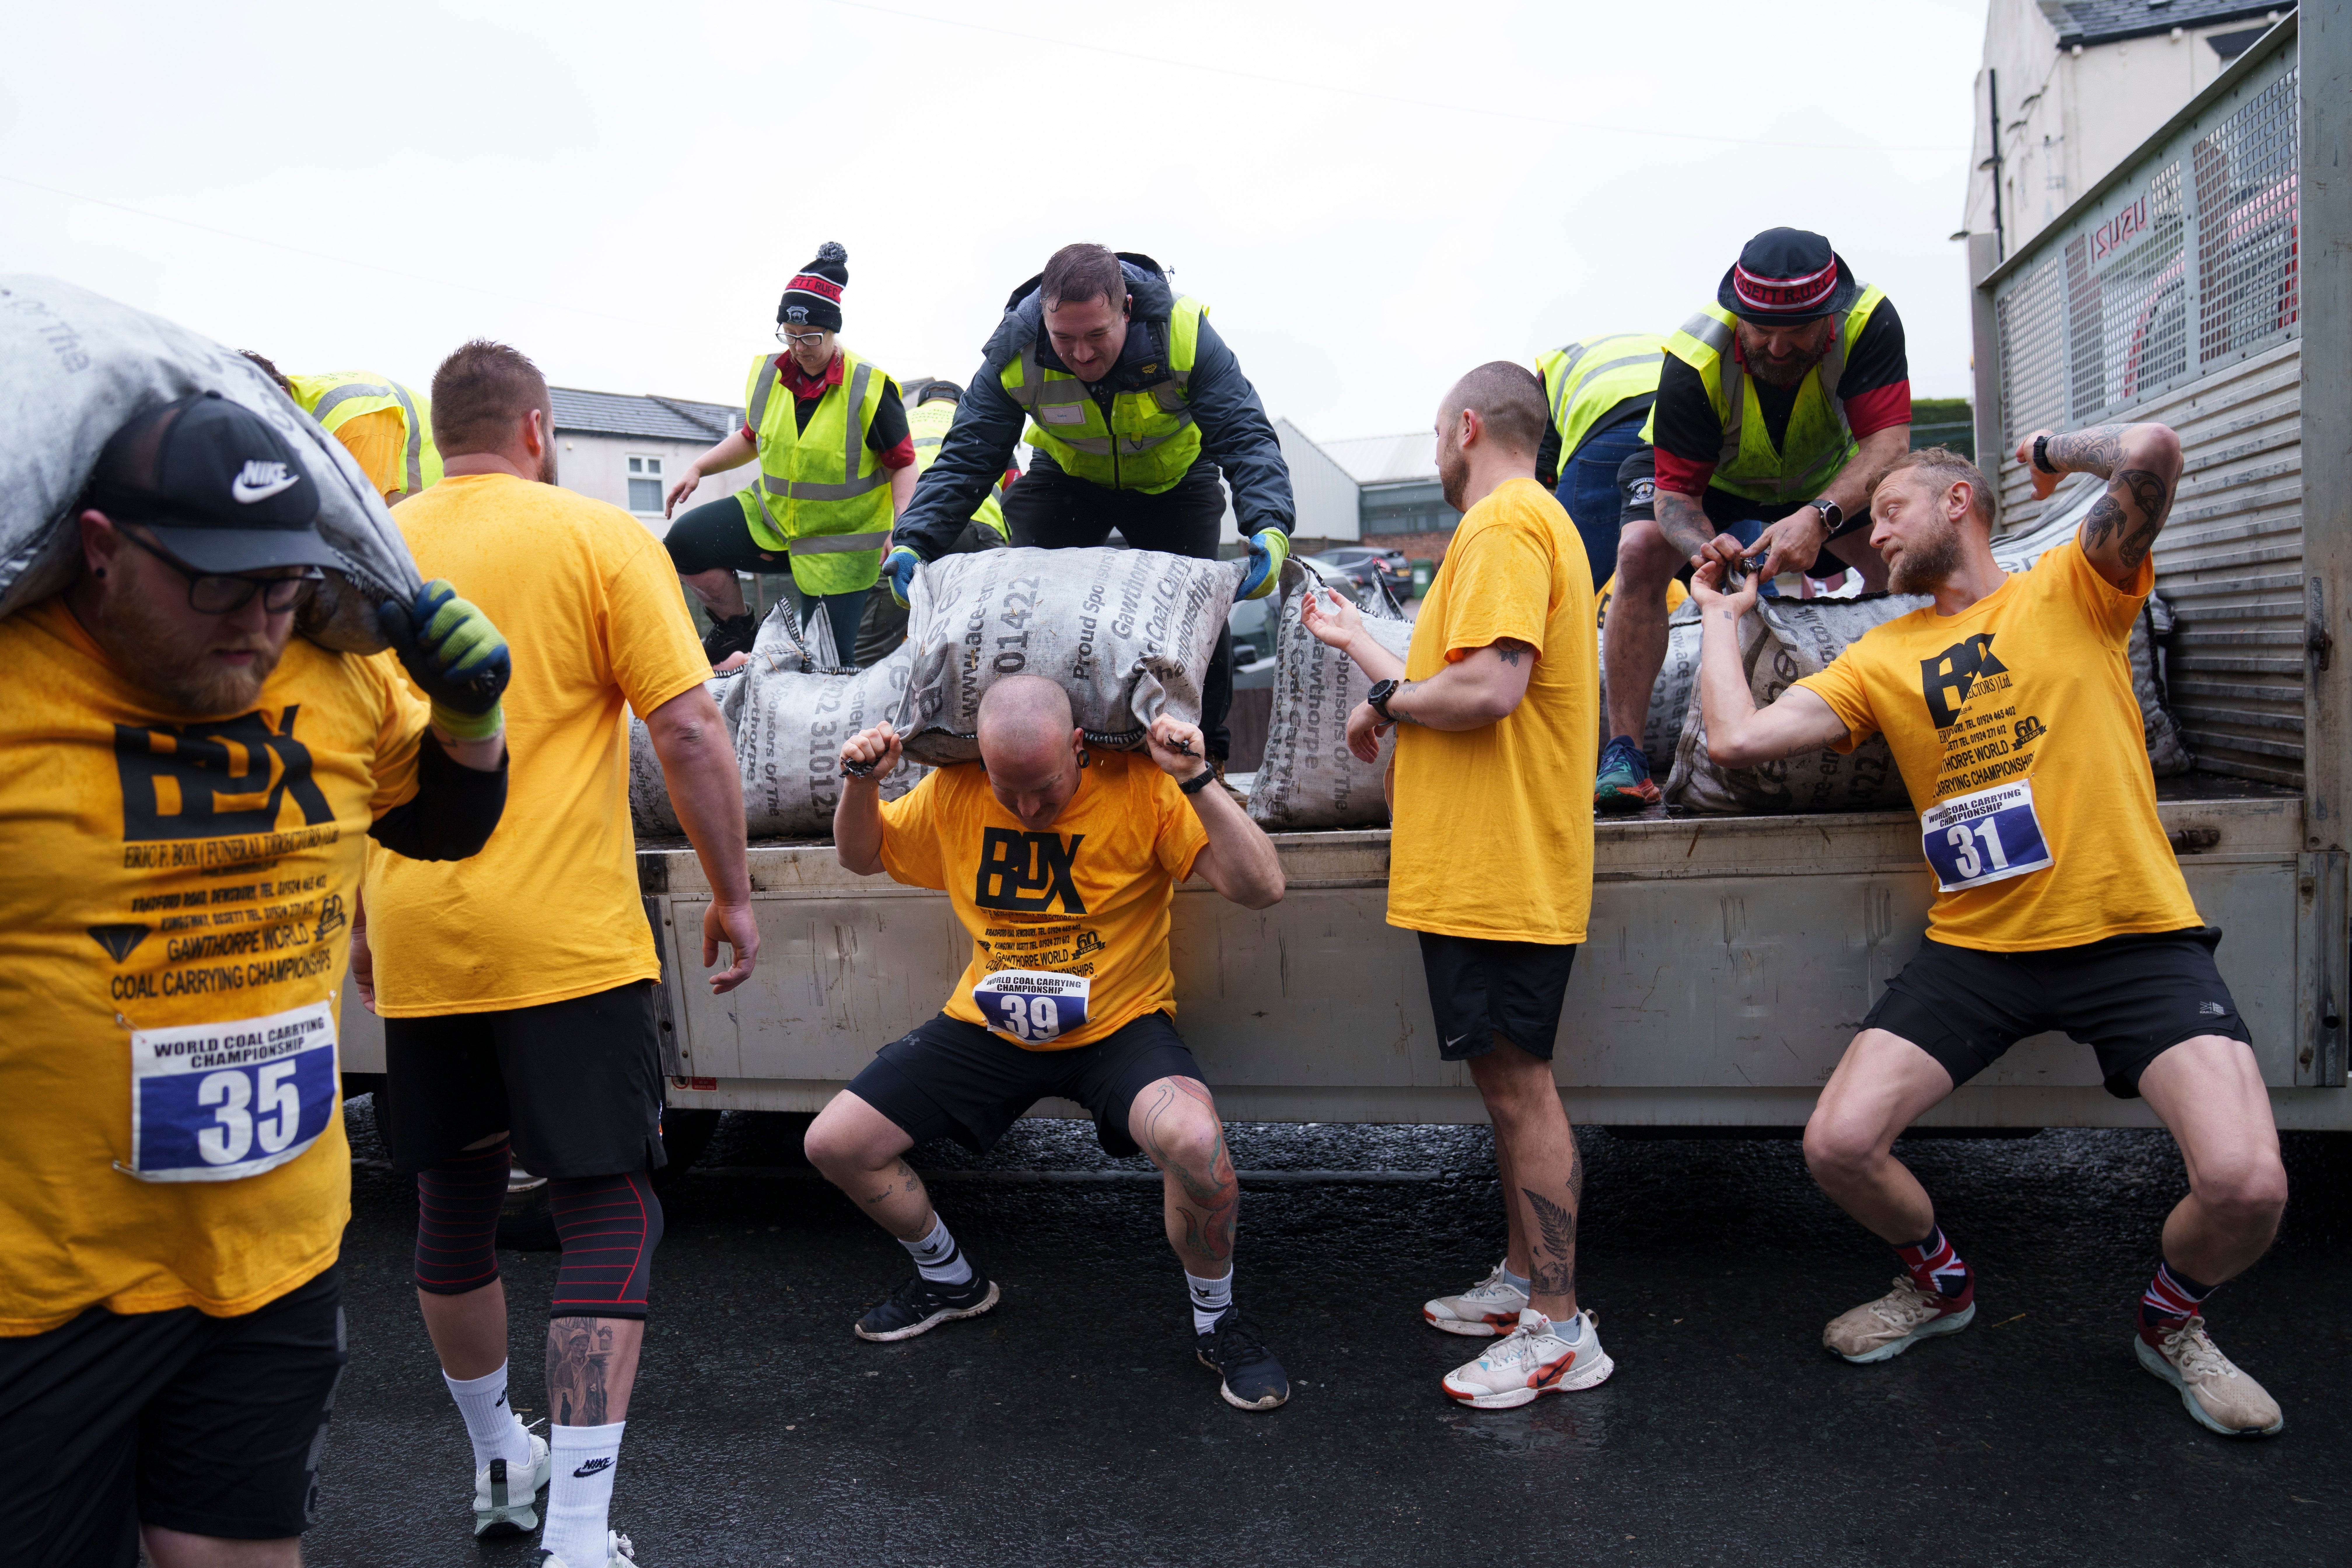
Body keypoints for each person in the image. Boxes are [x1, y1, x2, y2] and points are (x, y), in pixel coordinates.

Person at [1689, 431, 2289, 1438]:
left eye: (1887, 513)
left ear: (1959, 501)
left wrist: (2052, 451)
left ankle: (2171, 1321)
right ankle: (1939, 1284)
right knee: (1838, 1144)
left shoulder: (2075, 587)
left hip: (2132, 931)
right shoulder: (1881, 654)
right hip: (1979, 947)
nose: (1871, 536)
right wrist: (1717, 618)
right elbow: (1734, 739)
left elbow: (2153, 452)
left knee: (2247, 1185)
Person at [0, 392, 510, 1566]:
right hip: (41, 1292)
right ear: (100, 549)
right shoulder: (17, 683)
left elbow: (435, 824)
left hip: (270, 1261)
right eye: (215, 583)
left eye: (281, 584)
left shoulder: (333, 678)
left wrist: (472, 718)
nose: (255, 620)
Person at [356, 340, 762, 1564]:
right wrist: (735, 894)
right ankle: (579, 1532)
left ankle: (499, 1463)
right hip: (567, 940)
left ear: (441, 436)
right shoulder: (597, 538)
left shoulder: (378, 550)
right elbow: (688, 728)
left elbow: (360, 744)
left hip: (420, 921)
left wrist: (370, 921)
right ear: (536, 427)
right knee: (605, 1206)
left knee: (455, 1201)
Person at [805, 678, 1294, 1411]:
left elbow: (1262, 887)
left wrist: (1195, 779)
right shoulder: (953, 789)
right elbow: (860, 855)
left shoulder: (1141, 789)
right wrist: (858, 784)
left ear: (1077, 745)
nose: (1029, 809)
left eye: (1044, 787)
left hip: (1116, 1025)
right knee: (834, 1141)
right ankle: (948, 1277)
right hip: (988, 1023)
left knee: (1198, 1147)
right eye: (1010, 789)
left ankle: (1215, 1318)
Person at [1298, 362, 1611, 1410]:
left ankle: (1560, 1327)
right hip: (1491, 862)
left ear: (1466, 426)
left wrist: (1393, 692)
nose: (1437, 452)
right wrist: (1371, 667)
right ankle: (1524, 1282)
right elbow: (1456, 673)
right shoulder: (1525, 526)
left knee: (1522, 1089)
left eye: (1439, 433)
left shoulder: (1503, 526)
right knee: (1504, 1085)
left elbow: (1489, 686)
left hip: (1501, 863)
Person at [879, 243, 1295, 767]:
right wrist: (914, 541)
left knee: (1196, 614)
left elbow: (1244, 434)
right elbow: (968, 459)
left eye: (1096, 336)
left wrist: (1269, 525)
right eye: (1064, 339)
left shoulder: (1182, 334)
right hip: (1069, 478)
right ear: (1044, 321)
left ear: (1126, 311)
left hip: (1174, 482)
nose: (1080, 355)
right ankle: (1050, 755)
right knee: (1024, 606)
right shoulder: (1015, 347)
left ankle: (1203, 759)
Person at [1597, 227, 1911, 812]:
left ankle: (1893, 710)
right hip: (1710, 482)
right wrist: (1700, 547)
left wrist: (1819, 516)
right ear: (1736, 314)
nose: (1776, 348)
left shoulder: (1869, 320)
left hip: (1819, 479)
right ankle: (1624, 754)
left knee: (1901, 550)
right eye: (1760, 330)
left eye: (1797, 333)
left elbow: (1888, 447)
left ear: (1832, 317)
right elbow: (1674, 501)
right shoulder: (1694, 358)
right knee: (1640, 550)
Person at [659, 242, 918, 667]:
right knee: (685, 544)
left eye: (812, 337)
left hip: (841, 549)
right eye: (790, 335)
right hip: (773, 522)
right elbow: (750, 437)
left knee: (827, 666)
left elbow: (903, 463)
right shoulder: (769, 374)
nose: (800, 348)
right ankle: (738, 627)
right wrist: (699, 467)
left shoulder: (870, 387)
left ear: (833, 330)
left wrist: (901, 526)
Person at [849, 377, 1015, 669]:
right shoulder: (984, 423)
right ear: (961, 402)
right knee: (988, 638)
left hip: (910, 537)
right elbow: (1016, 487)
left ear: (923, 401)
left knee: (874, 648)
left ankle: (863, 703)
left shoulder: (902, 424)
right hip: (981, 534)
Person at [1533, 332, 1665, 592]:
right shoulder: (1662, 347)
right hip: (1683, 426)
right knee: (1741, 575)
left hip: (1609, 435)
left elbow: (1540, 484)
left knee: (1566, 588)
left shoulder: (1550, 372)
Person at [240, 352, 444, 506]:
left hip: (437, 524)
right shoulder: (299, 405)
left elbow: (362, 527)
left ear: (279, 397)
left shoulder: (353, 419)